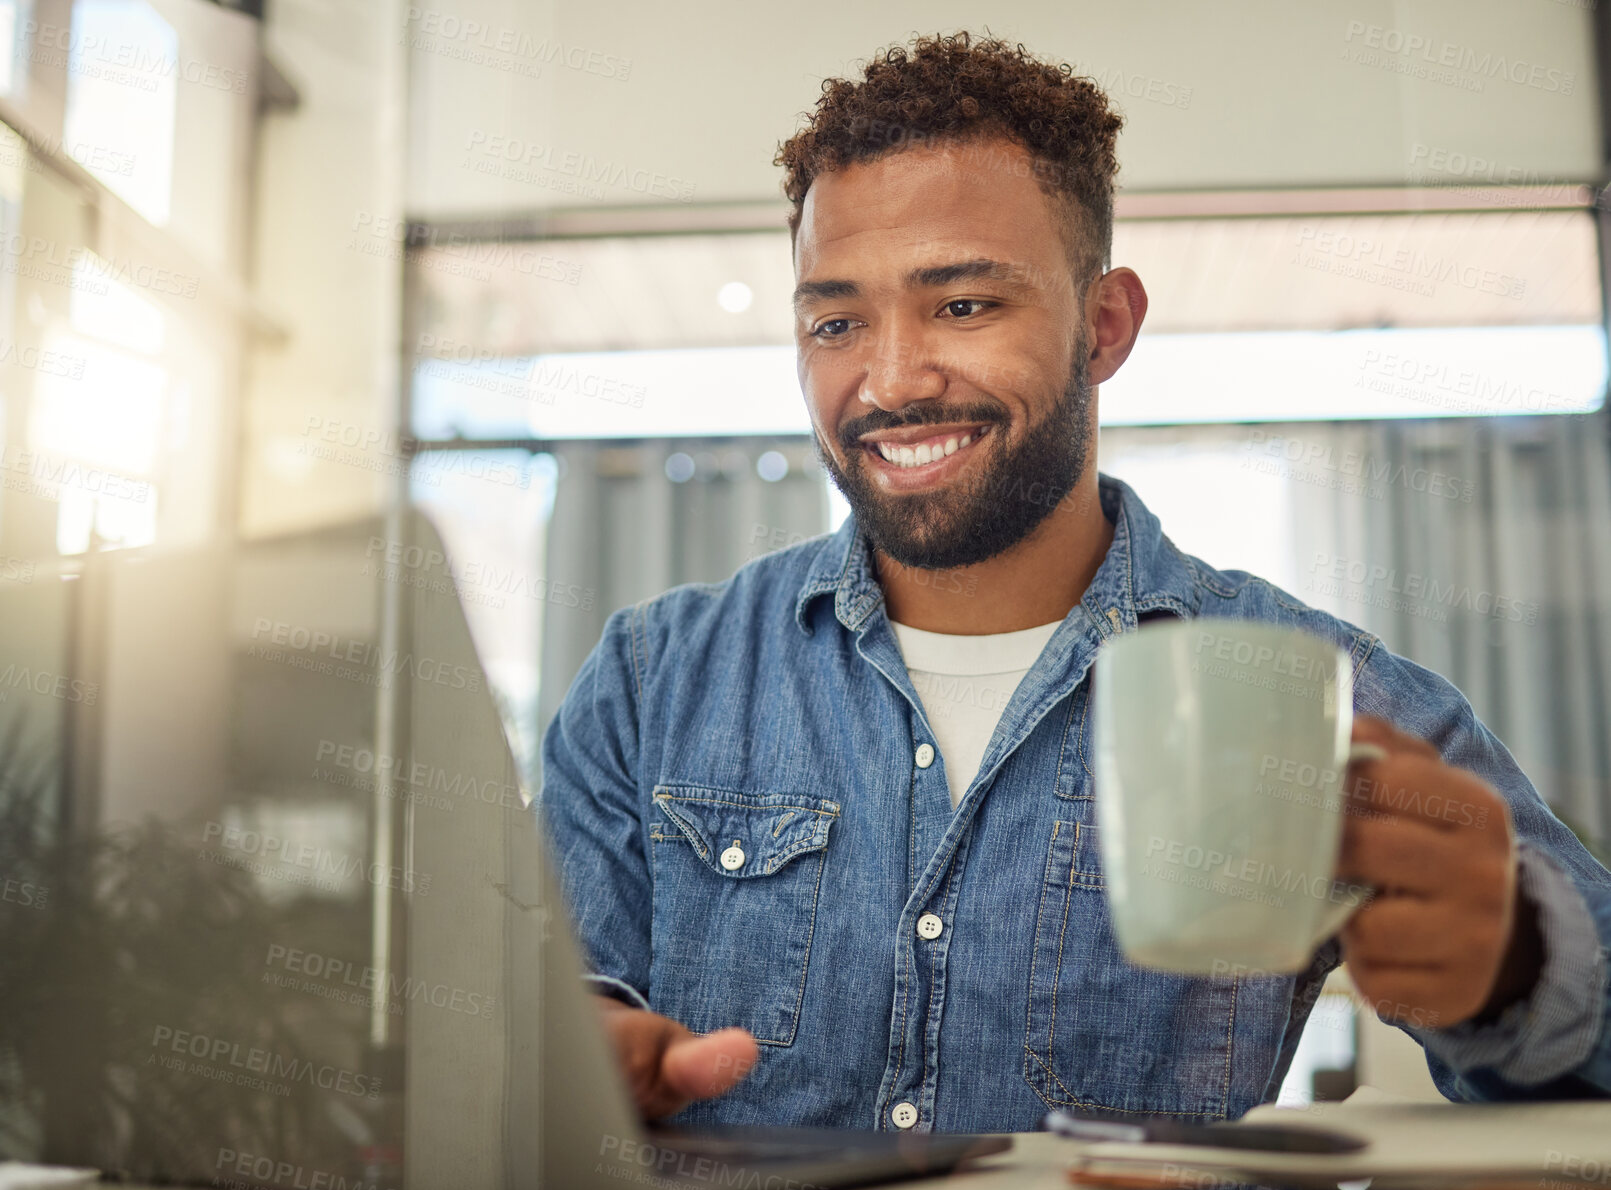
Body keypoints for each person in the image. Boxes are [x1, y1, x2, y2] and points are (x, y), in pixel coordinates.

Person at [539, 31, 1611, 1131]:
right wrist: (570, 1062)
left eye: (963, 305)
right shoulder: (649, 681)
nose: (893, 378)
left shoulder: (1317, 689)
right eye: (837, 321)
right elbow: (540, 1017)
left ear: (1105, 326)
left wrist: (1517, 967)